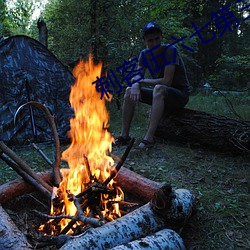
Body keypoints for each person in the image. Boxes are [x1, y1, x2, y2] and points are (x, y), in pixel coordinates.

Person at [115, 22, 191, 148]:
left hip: (179, 95)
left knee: (159, 88)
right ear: (144, 41)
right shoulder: (144, 54)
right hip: (160, 95)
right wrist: (135, 84)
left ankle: (149, 139)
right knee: (129, 91)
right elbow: (137, 75)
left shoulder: (170, 51)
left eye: (157, 39)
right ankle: (124, 136)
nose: (154, 43)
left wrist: (139, 81)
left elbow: (167, 81)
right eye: (150, 40)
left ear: (161, 37)